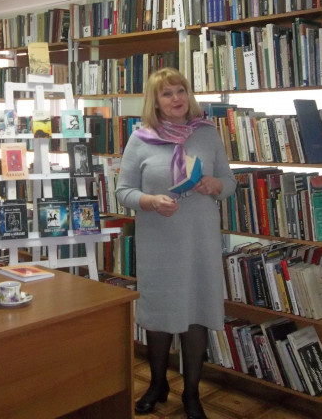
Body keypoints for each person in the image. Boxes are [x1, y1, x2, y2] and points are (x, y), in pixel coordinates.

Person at [116, 68, 235, 419]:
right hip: (159, 243)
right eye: (167, 94)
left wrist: (216, 184)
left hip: (200, 241)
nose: (176, 98)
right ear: (155, 102)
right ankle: (157, 385)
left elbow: (229, 182)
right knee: (159, 316)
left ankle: (192, 394)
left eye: (180, 90)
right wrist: (150, 201)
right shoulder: (140, 139)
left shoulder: (207, 134)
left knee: (196, 314)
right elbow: (123, 191)